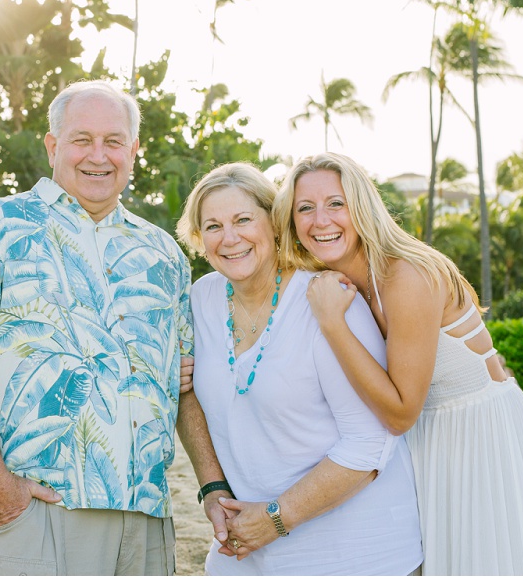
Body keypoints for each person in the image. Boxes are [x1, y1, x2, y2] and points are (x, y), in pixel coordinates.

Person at [0, 79, 230, 575]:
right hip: (40, 510)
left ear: (133, 151)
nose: (98, 156)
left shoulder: (162, 253)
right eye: (82, 139)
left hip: (147, 515)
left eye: (113, 142)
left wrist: (212, 485)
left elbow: (183, 386)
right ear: (52, 146)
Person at [279, 155, 523, 576]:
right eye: (305, 208)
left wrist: (333, 323)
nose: (320, 220)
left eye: (336, 203)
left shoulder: (406, 276)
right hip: (427, 444)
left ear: (363, 206)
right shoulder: (337, 281)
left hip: (484, 441)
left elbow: (402, 413)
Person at [177, 162, 422, 573]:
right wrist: (212, 487)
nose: (230, 238)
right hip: (249, 548)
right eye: (213, 226)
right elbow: (186, 395)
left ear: (274, 224)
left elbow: (369, 443)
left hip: (355, 551)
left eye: (242, 220)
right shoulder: (201, 299)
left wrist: (276, 517)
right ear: (200, 239)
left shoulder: (327, 299)